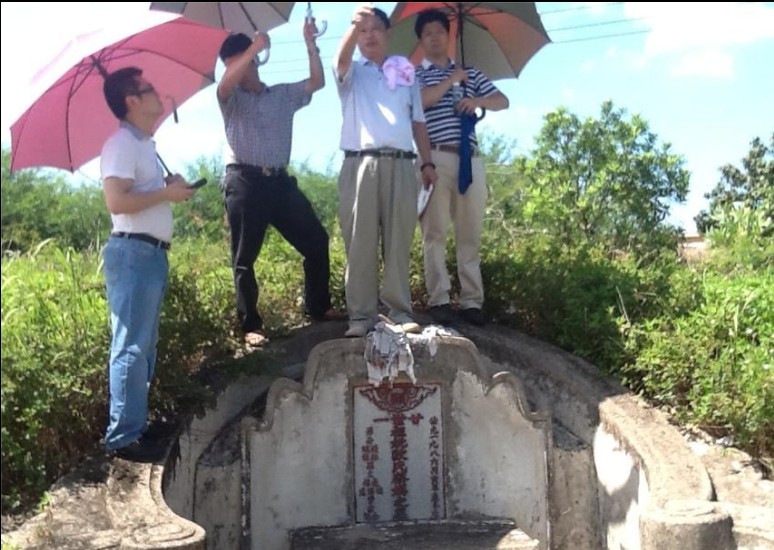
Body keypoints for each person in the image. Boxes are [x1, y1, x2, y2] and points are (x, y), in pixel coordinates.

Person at [217, 20, 344, 347]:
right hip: (243, 180)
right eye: (232, 63)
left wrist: (309, 43)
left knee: (316, 240)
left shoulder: (282, 94)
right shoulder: (231, 99)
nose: (237, 67)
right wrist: (252, 49)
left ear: (256, 60)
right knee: (244, 257)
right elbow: (224, 86)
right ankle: (250, 326)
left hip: (279, 181)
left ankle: (318, 306)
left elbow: (317, 82)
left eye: (241, 59)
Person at [100, 67, 197, 461]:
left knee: (144, 346)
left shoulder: (142, 144)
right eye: (149, 88)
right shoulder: (121, 143)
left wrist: (168, 187)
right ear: (132, 101)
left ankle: (134, 426)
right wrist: (164, 193)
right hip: (134, 253)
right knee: (131, 346)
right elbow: (117, 202)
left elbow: (142, 194)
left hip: (150, 254)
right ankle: (123, 437)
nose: (159, 93)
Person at [333, 5, 438, 338]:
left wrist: (427, 161)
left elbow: (417, 120)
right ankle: (361, 316)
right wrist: (353, 25)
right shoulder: (352, 70)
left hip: (403, 162)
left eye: (376, 28)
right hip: (360, 162)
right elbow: (340, 61)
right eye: (363, 30)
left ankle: (399, 311)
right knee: (359, 242)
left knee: (398, 242)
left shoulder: (404, 69)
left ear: (388, 33)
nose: (370, 35)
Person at [414, 8, 509, 326]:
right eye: (427, 33)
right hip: (435, 157)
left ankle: (472, 302)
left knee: (469, 233)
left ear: (449, 35)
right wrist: (450, 81)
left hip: (470, 158)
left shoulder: (470, 73)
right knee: (435, 231)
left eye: (439, 31)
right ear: (421, 40)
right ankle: (439, 298)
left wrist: (476, 100)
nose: (434, 37)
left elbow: (502, 101)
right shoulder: (417, 75)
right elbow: (421, 103)